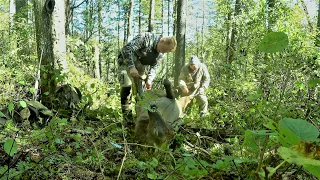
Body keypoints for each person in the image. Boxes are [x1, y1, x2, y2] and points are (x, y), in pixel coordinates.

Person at [117, 32, 176, 129]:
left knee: (142, 95)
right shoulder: (146, 38)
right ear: (162, 41)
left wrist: (150, 79)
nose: (163, 52)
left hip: (140, 68)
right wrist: (131, 67)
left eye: (165, 52)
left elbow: (155, 67)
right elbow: (127, 49)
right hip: (126, 62)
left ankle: (141, 119)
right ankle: (127, 121)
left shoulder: (160, 54)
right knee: (126, 87)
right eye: (164, 49)